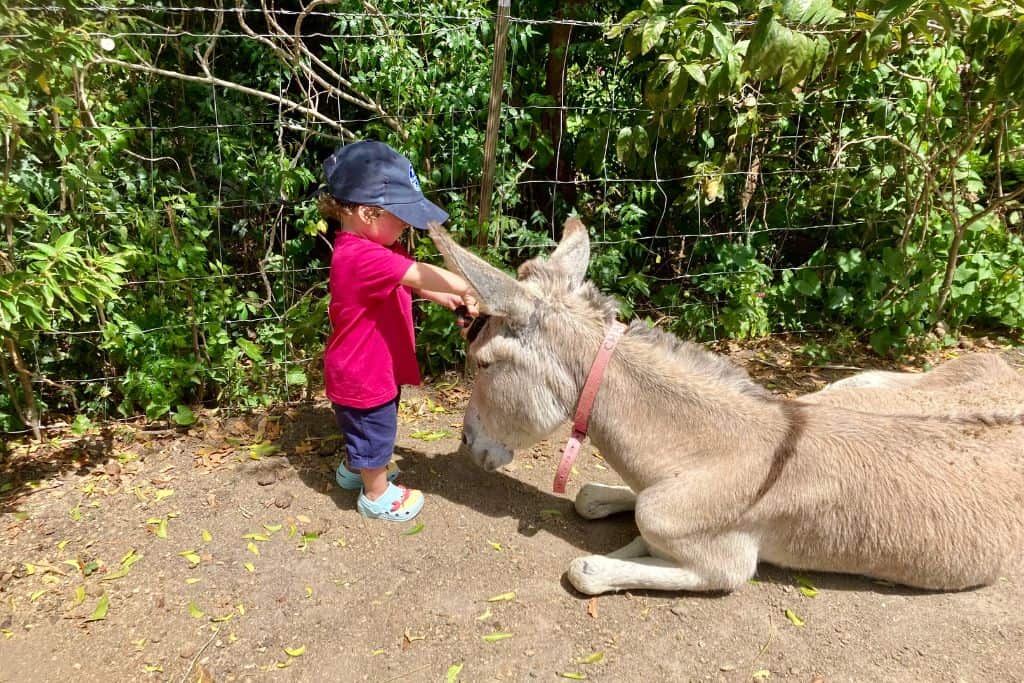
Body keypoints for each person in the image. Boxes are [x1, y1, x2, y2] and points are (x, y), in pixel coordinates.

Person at [318, 139, 477, 522]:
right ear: (369, 213)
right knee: (376, 429)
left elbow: (412, 281)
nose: (407, 225)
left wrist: (448, 299)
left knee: (370, 428)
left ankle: (355, 470)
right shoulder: (360, 256)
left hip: (368, 366)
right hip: (363, 373)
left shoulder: (371, 249)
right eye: (401, 217)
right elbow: (420, 274)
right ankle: (376, 494)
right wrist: (471, 286)